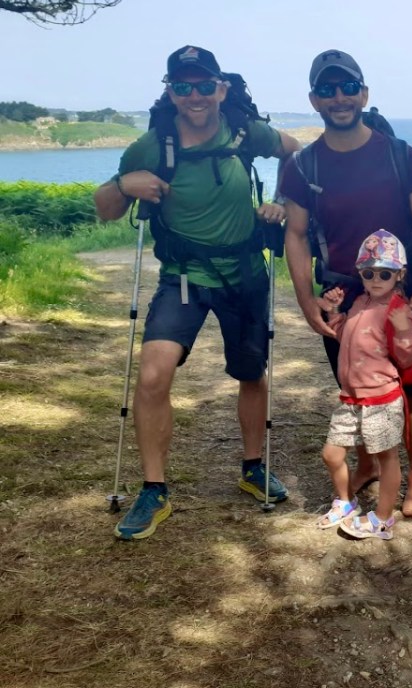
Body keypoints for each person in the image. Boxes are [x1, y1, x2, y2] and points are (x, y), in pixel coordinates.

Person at [93, 45, 301, 540]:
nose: (195, 95)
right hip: (182, 277)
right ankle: (153, 489)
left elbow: (296, 152)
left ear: (221, 89)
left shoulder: (247, 131)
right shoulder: (152, 146)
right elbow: (104, 208)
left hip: (244, 272)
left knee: (251, 374)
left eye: (205, 85)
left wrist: (281, 201)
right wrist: (124, 183)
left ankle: (253, 467)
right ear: (170, 91)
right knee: (153, 375)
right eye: (183, 86)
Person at [279, 49, 412, 519]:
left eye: (348, 87)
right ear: (314, 100)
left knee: (411, 392)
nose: (339, 97)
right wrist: (306, 300)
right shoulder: (303, 165)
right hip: (342, 296)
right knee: (358, 387)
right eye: (327, 90)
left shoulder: (399, 155)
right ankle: (369, 464)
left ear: (364, 94)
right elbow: (295, 234)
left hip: (400, 295)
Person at [314, 230, 412, 541]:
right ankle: (346, 501)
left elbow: (408, 358)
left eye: (385, 273)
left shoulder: (399, 310)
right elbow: (344, 336)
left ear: (399, 275)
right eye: (368, 272)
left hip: (382, 400)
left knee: (387, 458)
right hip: (350, 398)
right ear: (360, 273)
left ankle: (383, 518)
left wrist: (404, 331)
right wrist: (335, 312)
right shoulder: (360, 301)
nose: (376, 279)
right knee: (331, 454)